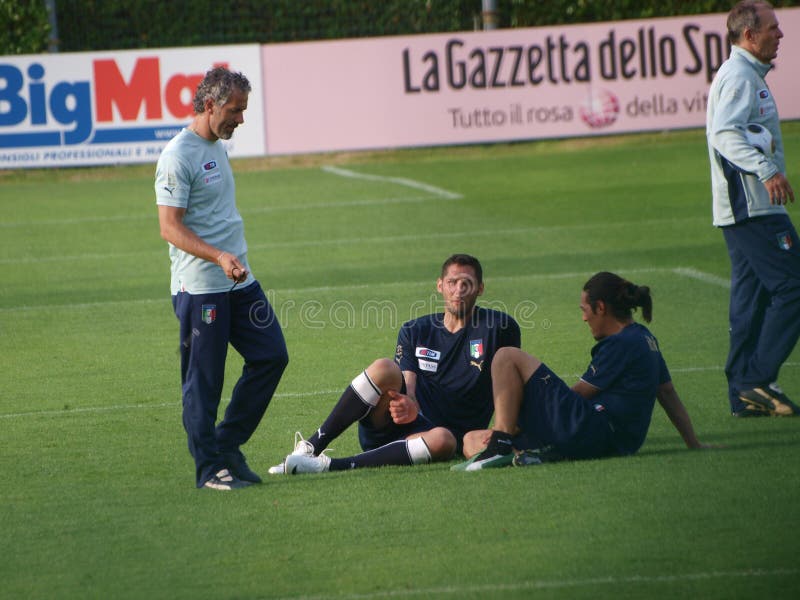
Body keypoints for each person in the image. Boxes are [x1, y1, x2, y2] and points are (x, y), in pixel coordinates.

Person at [155, 67, 289, 490]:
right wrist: (218, 256)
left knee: (272, 355)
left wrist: (231, 259)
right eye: (235, 110)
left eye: (245, 110)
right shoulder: (177, 156)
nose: (241, 120)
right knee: (205, 382)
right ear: (210, 105)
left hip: (240, 282)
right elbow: (170, 228)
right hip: (201, 288)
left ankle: (227, 445)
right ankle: (209, 469)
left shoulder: (215, 145)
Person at [269, 254, 520, 474]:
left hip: (445, 438)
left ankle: (328, 466)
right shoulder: (415, 329)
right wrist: (410, 403)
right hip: (399, 422)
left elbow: (510, 383)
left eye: (467, 283)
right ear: (440, 285)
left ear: (480, 288)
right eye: (453, 283)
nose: (459, 290)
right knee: (384, 367)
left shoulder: (499, 327)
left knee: (442, 438)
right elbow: (407, 380)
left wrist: (507, 431)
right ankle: (311, 447)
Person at [454, 272, 710, 471]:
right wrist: (693, 443)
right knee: (471, 440)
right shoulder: (645, 338)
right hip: (612, 442)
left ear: (600, 307)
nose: (583, 319)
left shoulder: (621, 343)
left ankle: (504, 445)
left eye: (584, 310)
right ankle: (533, 453)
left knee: (506, 356)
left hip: (595, 430)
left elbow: (580, 393)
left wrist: (521, 420)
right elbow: (667, 392)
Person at [706, 1, 800, 417]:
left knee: (752, 299)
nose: (779, 35)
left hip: (747, 207)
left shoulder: (743, 74)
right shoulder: (740, 77)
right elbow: (724, 133)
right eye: (772, 28)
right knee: (794, 286)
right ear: (749, 35)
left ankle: (743, 392)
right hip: (754, 206)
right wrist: (767, 171)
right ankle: (756, 379)